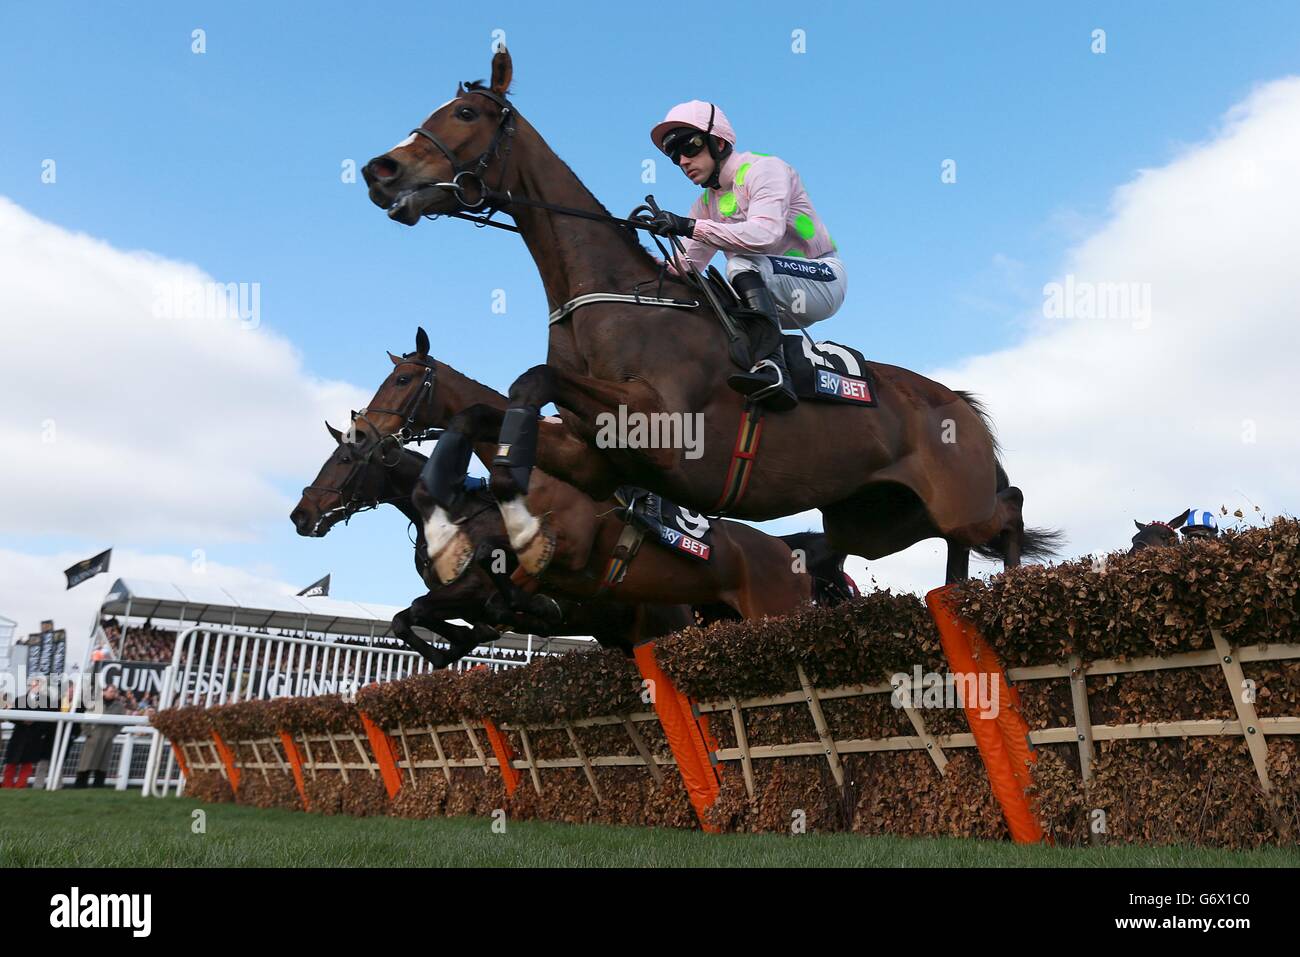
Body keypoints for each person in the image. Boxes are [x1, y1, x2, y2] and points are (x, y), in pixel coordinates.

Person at [647, 100, 846, 411]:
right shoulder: (706, 204)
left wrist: (688, 226)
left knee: (740, 261)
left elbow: (765, 235)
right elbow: (686, 266)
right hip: (773, 293)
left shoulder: (764, 169)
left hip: (823, 279)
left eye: (690, 146)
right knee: (705, 293)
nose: (683, 160)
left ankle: (775, 369)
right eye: (675, 156)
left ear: (719, 141)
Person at [74, 682, 126, 788]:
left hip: (107, 737)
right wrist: (88, 733)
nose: (113, 693)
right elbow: (85, 720)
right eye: (111, 691)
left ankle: (98, 785)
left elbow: (122, 722)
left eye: (114, 691)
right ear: (104, 692)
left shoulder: (119, 706)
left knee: (103, 763)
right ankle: (80, 784)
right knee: (87, 761)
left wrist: (113, 733)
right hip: (94, 735)